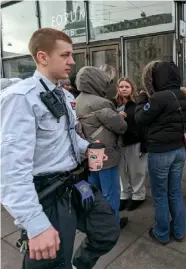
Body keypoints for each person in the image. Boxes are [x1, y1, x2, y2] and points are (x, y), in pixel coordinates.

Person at [0, 28, 119, 269]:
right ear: (43, 57)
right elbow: (11, 170)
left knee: (107, 230)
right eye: (65, 55)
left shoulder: (63, 96)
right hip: (47, 192)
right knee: (52, 260)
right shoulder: (21, 98)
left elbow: (68, 138)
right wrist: (35, 223)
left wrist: (88, 147)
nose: (72, 61)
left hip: (75, 182)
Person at [134, 60, 186, 245]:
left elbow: (141, 118)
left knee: (159, 194)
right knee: (175, 192)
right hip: (178, 150)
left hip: (161, 153)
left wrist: (141, 100)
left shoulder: (159, 98)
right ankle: (179, 231)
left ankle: (162, 232)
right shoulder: (181, 94)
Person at [75, 66, 129, 229]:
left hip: (89, 153)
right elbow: (121, 127)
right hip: (106, 154)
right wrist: (119, 117)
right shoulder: (101, 102)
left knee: (94, 189)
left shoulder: (76, 100)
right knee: (111, 192)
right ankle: (112, 224)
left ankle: (95, 221)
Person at [112, 77, 147, 212]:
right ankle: (124, 194)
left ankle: (138, 195)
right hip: (118, 142)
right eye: (121, 87)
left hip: (135, 141)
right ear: (118, 89)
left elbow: (143, 124)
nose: (124, 89)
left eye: (127, 86)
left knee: (136, 170)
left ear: (132, 88)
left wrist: (144, 143)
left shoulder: (138, 103)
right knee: (121, 171)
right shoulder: (113, 103)